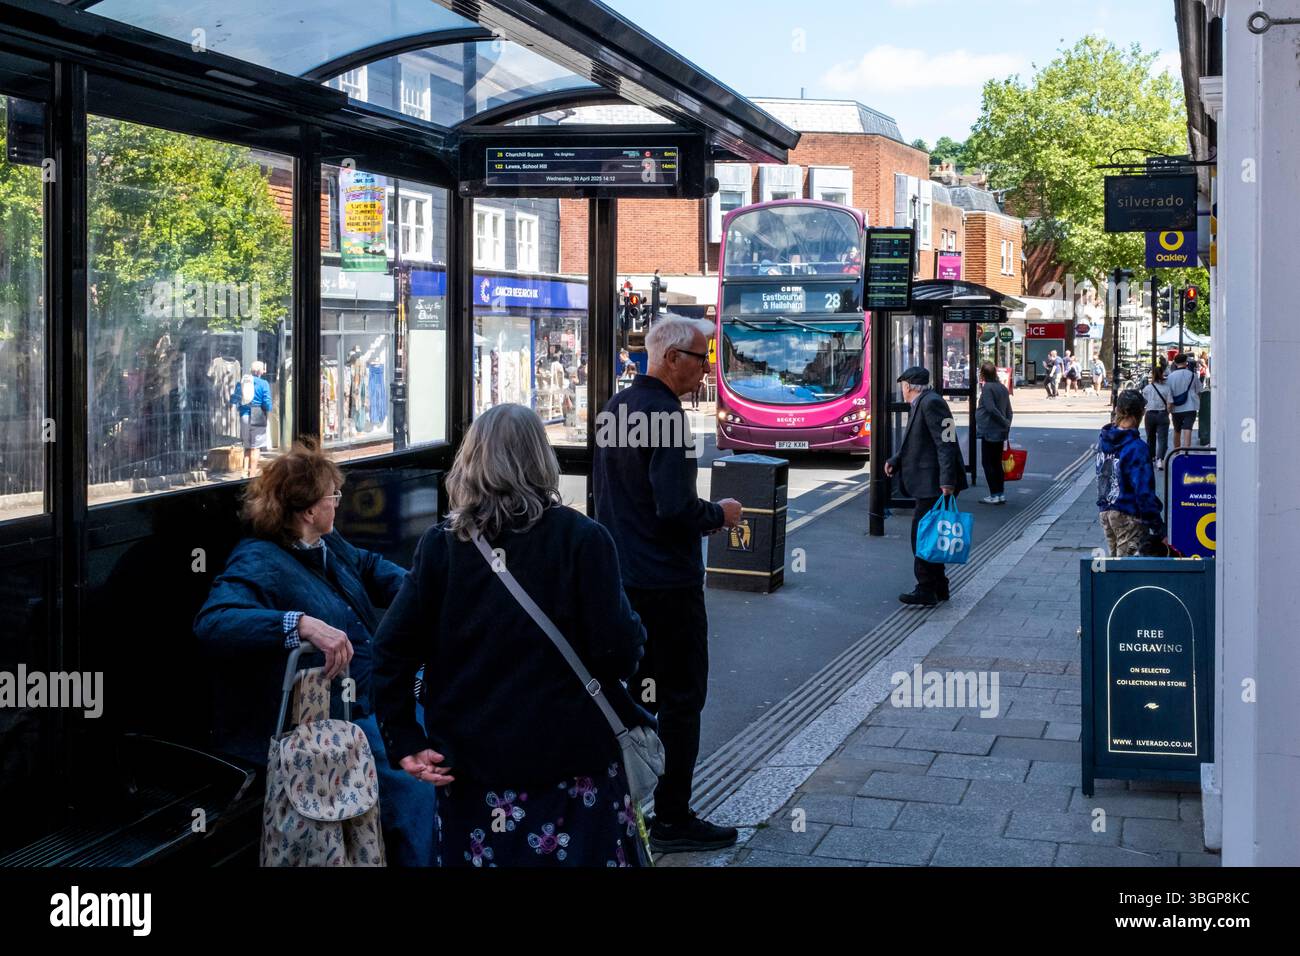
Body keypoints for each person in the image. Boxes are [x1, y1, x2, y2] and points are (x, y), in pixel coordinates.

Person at [371, 404, 653, 868]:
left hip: (473, 778)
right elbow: (619, 654)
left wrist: (404, 740)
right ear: (542, 460)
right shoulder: (584, 540)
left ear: (471, 461)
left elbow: (390, 649)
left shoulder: (442, 547)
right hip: (573, 774)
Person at [193, 438, 436, 866]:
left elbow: (367, 565)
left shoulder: (325, 542)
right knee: (420, 787)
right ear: (308, 511)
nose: (339, 503)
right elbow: (213, 622)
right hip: (341, 721)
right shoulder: (256, 561)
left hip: (374, 696)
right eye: (333, 496)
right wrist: (298, 624)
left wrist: (421, 590)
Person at [592, 316, 743, 854]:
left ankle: (621, 808)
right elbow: (675, 507)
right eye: (701, 358)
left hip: (622, 581)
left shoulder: (615, 409)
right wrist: (719, 514)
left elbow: (605, 497)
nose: (706, 370)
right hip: (669, 587)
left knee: (631, 696)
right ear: (673, 358)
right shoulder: (669, 417)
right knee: (682, 699)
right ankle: (673, 816)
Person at [885, 366, 969, 606]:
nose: (901, 390)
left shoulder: (932, 403)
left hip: (934, 483)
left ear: (910, 386)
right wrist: (896, 460)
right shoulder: (922, 403)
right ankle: (939, 586)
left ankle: (926, 588)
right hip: (928, 481)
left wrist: (947, 482)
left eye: (902, 385)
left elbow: (947, 443)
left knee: (921, 535)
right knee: (932, 534)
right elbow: (915, 441)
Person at [1096, 390, 1164, 557]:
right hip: (1128, 513)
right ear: (1140, 413)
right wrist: (1158, 527)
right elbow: (1143, 491)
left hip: (1106, 510)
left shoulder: (1104, 439)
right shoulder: (1137, 447)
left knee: (1114, 564)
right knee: (1127, 571)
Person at [976, 361, 1013, 505]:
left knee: (988, 463)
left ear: (983, 374)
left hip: (989, 430)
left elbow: (991, 409)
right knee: (997, 463)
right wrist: (1007, 424)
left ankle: (994, 494)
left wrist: (1003, 422)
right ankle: (1000, 494)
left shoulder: (987, 388)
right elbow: (1009, 410)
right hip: (1000, 432)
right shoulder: (1002, 388)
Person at [233, 360, 272, 477]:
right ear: (260, 371)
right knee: (255, 447)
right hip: (258, 413)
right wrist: (269, 409)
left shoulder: (242, 382)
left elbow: (235, 399)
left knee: (247, 445)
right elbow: (266, 402)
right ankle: (252, 475)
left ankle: (244, 472)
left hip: (244, 414)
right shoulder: (264, 383)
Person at [1167, 353, 1204, 450]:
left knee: (1177, 430)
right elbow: (1199, 390)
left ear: (1175, 363)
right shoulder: (1192, 375)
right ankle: (1186, 452)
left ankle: (1176, 452)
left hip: (1176, 407)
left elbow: (1168, 393)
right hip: (1190, 406)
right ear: (1186, 362)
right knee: (1188, 429)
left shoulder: (1170, 377)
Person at [1141, 365, 1173, 470]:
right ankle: (1160, 460)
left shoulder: (1147, 388)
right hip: (1162, 414)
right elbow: (1169, 404)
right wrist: (1167, 413)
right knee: (1162, 439)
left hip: (1150, 415)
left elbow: (1143, 402)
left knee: (1150, 438)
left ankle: (1151, 458)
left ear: (1153, 375)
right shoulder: (1167, 388)